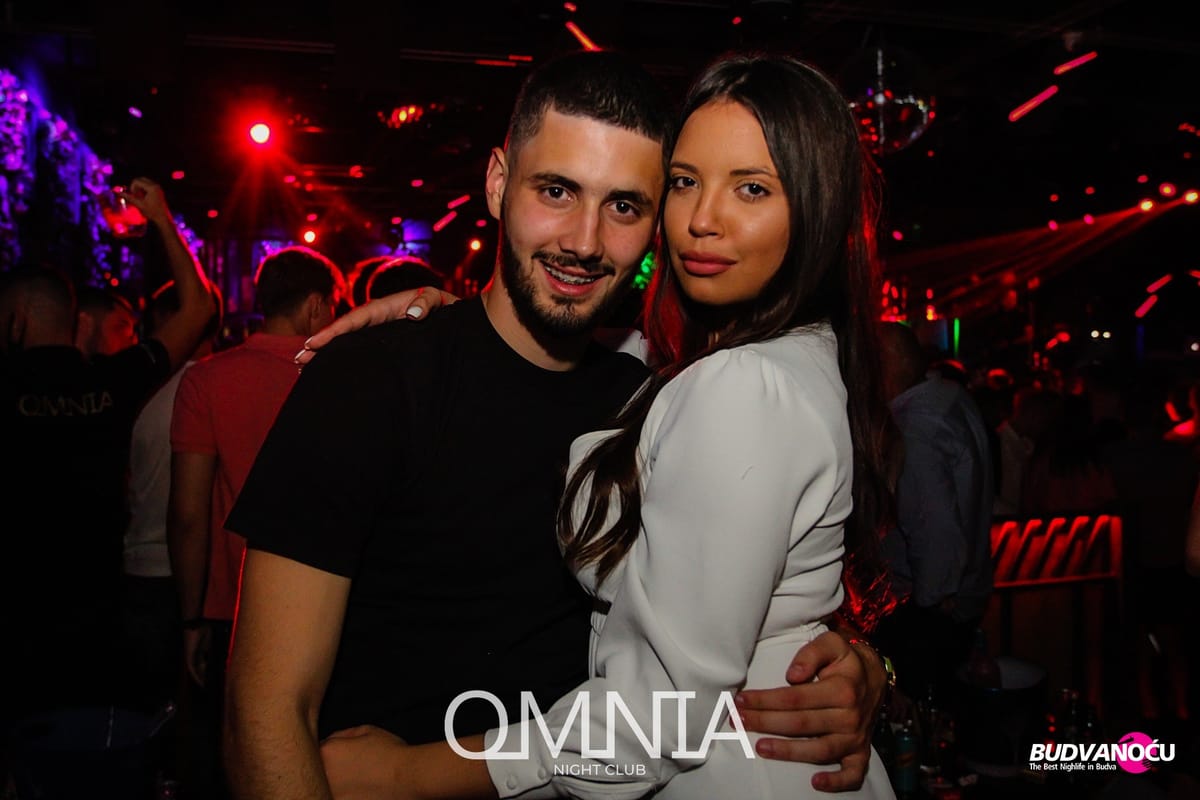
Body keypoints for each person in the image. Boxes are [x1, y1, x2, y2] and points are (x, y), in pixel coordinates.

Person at [224, 51, 888, 800]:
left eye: (625, 205)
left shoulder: (651, 391)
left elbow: (727, 614)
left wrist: (860, 661)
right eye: (557, 191)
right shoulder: (370, 382)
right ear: (497, 183)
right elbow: (265, 711)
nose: (584, 241)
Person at [0, 177, 213, 721]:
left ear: (15, 320)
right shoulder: (111, 383)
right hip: (98, 611)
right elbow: (198, 309)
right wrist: (161, 219)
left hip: (16, 616)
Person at [874, 322, 993, 699]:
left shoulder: (913, 429)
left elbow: (934, 527)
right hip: (960, 597)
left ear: (885, 366)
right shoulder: (949, 397)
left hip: (929, 611)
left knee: (919, 707)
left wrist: (929, 606)